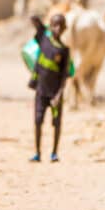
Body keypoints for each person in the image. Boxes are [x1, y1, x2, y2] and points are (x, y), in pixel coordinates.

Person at [29, 13, 70, 163]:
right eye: (54, 25)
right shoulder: (43, 39)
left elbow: (64, 76)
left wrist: (58, 95)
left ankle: (54, 152)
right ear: (50, 26)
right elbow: (35, 21)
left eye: (60, 25)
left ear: (65, 28)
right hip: (41, 91)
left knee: (56, 123)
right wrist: (41, 23)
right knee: (38, 121)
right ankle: (37, 153)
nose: (57, 28)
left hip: (55, 95)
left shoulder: (65, 50)